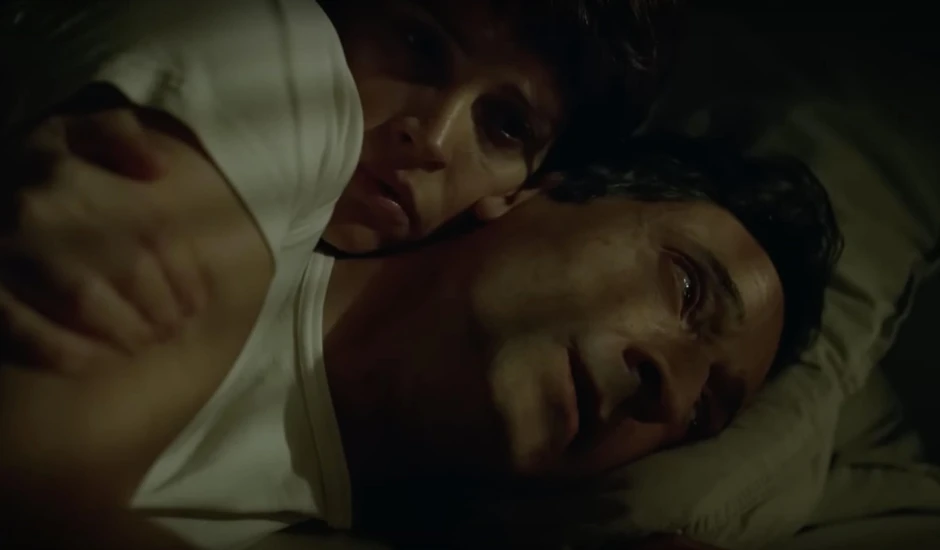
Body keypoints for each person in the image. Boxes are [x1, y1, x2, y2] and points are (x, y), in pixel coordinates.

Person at [0, 102, 842, 549]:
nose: (671, 392)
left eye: (702, 416)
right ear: (536, 192)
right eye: (687, 288)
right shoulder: (242, 159)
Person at [0, 0, 679, 368]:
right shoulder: (267, 56)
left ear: (520, 189)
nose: (433, 138)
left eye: (504, 126)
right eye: (418, 45)